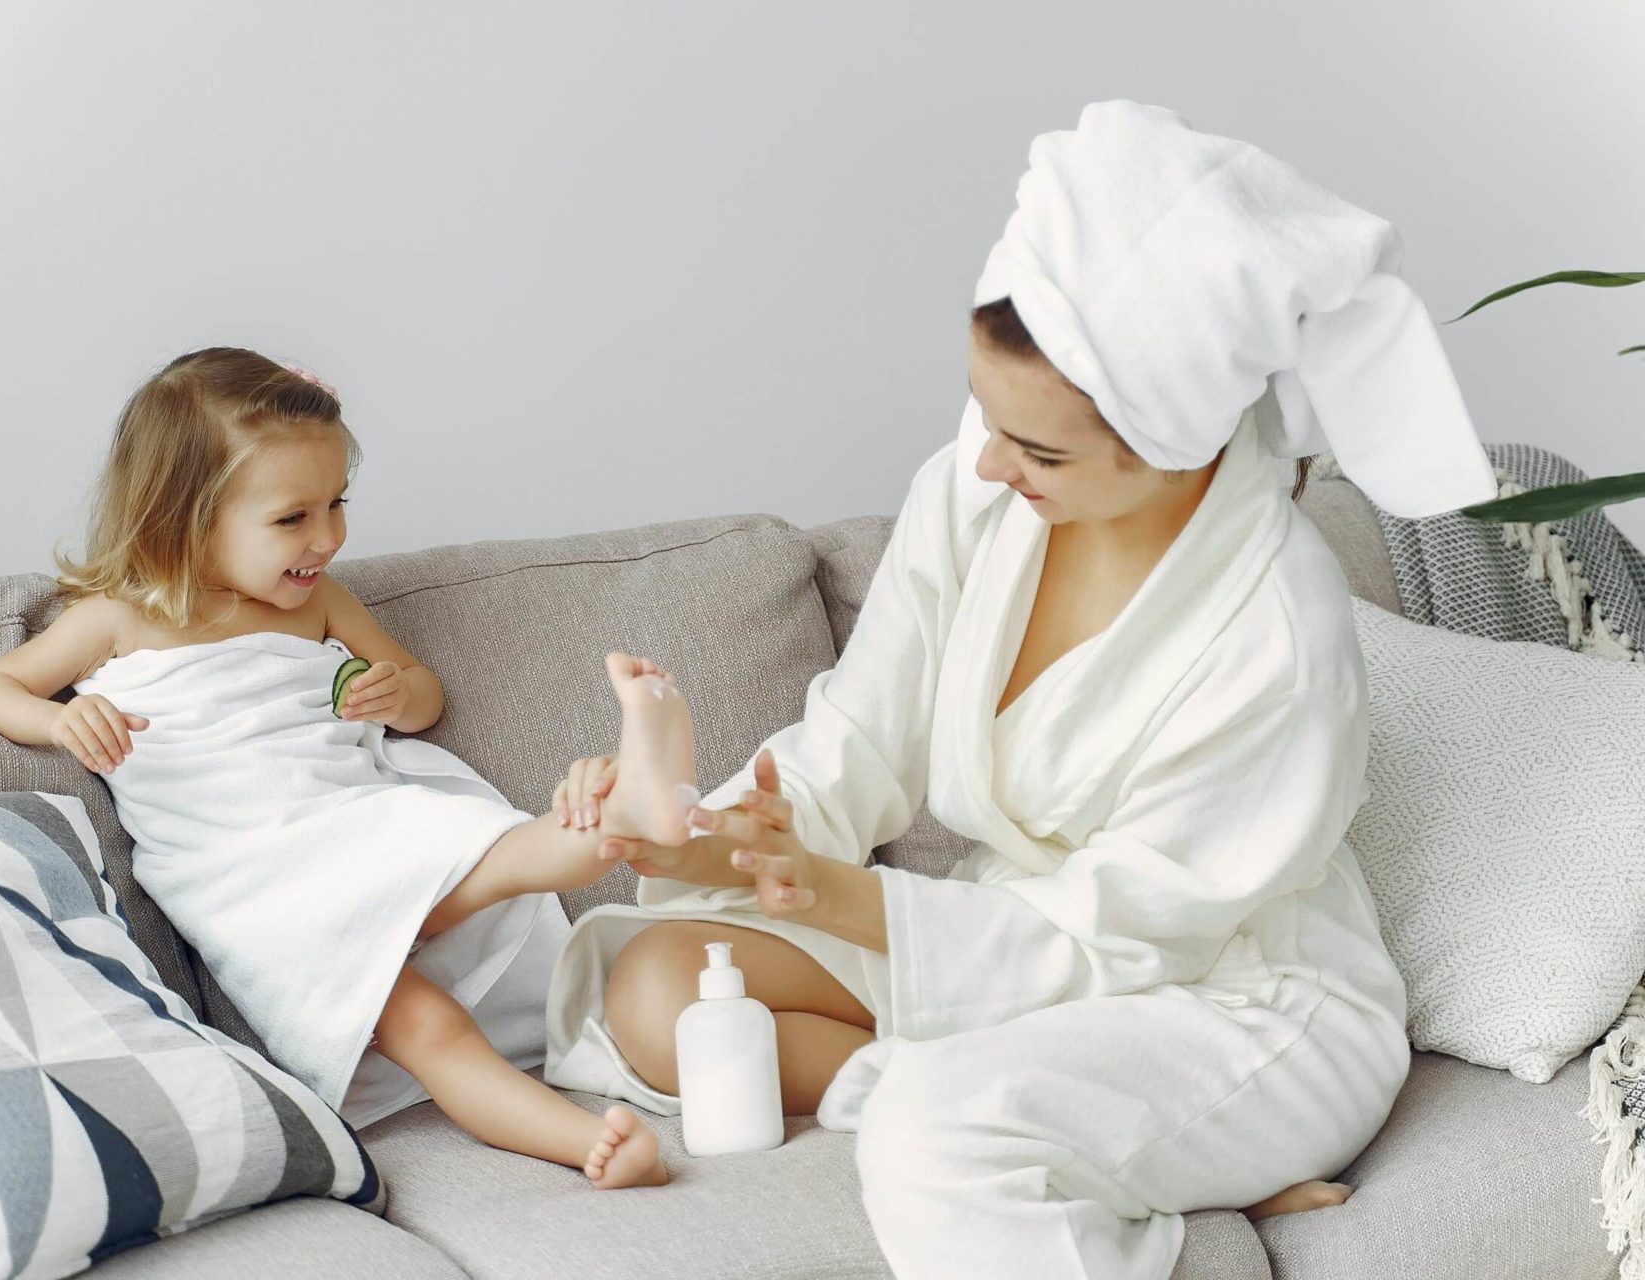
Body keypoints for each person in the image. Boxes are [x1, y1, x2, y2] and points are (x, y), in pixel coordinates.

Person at [538, 99, 1499, 1276]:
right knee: (660, 982)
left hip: (1225, 999)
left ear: (1177, 441)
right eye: (988, 421)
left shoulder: (1275, 631)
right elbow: (859, 735)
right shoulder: (978, 487)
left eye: (1039, 450)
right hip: (1017, 945)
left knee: (934, 1132)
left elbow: (1119, 938)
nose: (988, 465)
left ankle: (1144, 1143)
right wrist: (707, 840)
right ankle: (1126, 1168)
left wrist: (846, 899)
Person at [0, 347, 707, 1189]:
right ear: (183, 517)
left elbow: (422, 696)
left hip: (348, 820)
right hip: (254, 877)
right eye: (293, 518)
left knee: (465, 853)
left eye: (337, 504)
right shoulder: (119, 619)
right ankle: (586, 1138)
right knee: (427, 1029)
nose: (328, 538)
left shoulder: (321, 603)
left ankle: (625, 827)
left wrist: (395, 695)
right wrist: (61, 718)